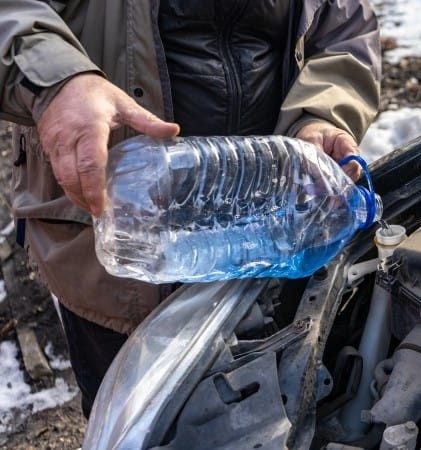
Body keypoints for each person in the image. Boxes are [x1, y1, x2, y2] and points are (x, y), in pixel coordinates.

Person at [0, 0, 380, 418]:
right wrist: (56, 80)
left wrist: (320, 114)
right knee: (137, 425)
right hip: (117, 237)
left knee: (259, 418)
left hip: (264, 237)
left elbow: (343, 26)